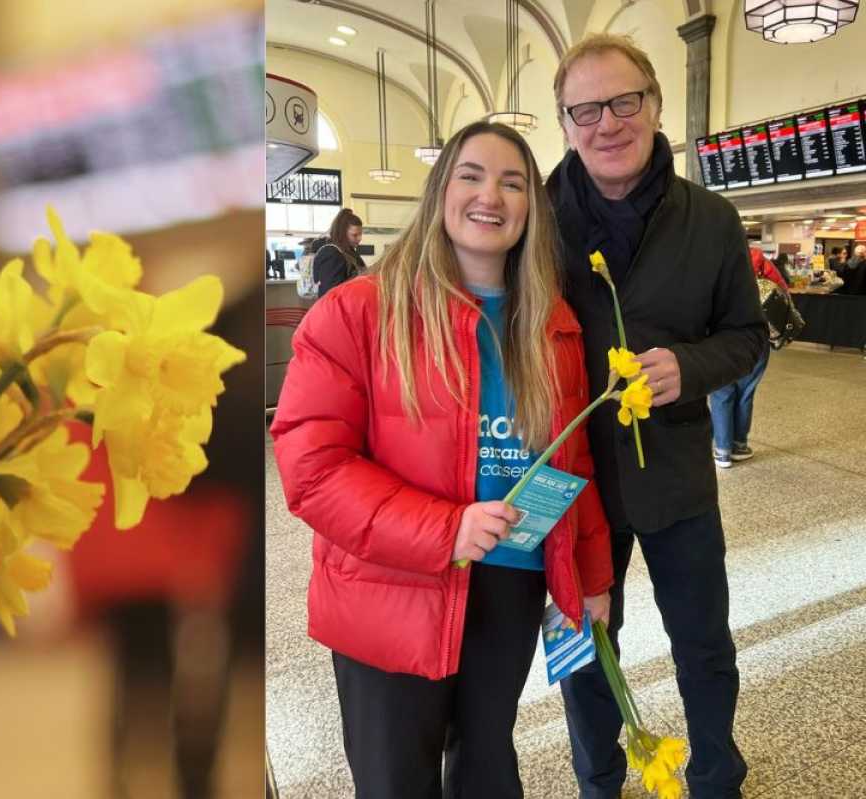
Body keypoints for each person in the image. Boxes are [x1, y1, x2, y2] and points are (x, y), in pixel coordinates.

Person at [271, 121, 614, 799]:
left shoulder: (552, 324)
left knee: (488, 767)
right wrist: (444, 528)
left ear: (531, 209)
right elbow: (312, 467)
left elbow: (571, 464)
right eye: (472, 175)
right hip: (392, 589)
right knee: (397, 778)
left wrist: (591, 575)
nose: (493, 194)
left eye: (513, 182)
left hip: (509, 589)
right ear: (439, 193)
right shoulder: (358, 313)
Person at [546, 33, 767, 799]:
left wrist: (690, 366)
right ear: (566, 121)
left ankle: (715, 777)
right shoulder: (536, 222)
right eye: (586, 109)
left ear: (655, 104)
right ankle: (598, 780)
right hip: (574, 485)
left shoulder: (710, 218)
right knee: (586, 649)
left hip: (675, 476)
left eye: (623, 101)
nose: (607, 123)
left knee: (703, 645)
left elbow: (748, 335)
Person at [709, 247, 786, 468]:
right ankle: (739, 445)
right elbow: (782, 292)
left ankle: (722, 451)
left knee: (722, 392)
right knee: (745, 392)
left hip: (719, 336)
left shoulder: (710, 258)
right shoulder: (757, 257)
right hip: (756, 336)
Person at [312, 208, 367, 298]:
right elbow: (330, 294)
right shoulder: (332, 254)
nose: (359, 238)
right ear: (342, 233)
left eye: (360, 234)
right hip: (335, 310)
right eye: (354, 235)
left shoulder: (348, 251)